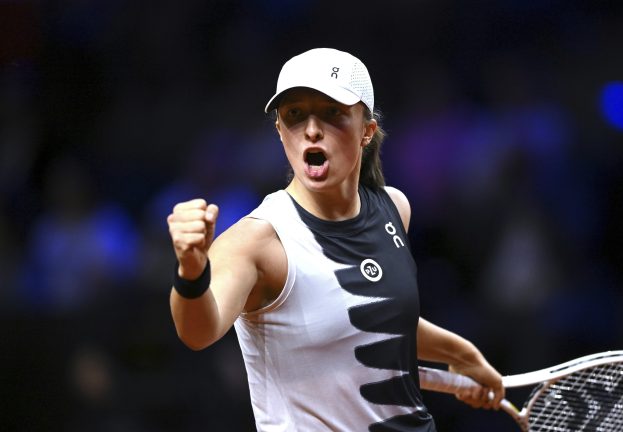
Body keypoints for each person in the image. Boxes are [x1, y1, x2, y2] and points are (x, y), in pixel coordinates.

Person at [167, 47, 504, 431]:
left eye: (332, 113)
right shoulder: (258, 241)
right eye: (295, 115)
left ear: (366, 130)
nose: (312, 129)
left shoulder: (394, 209)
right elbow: (198, 331)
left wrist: (460, 352)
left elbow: (377, 317)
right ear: (279, 131)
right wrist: (192, 271)